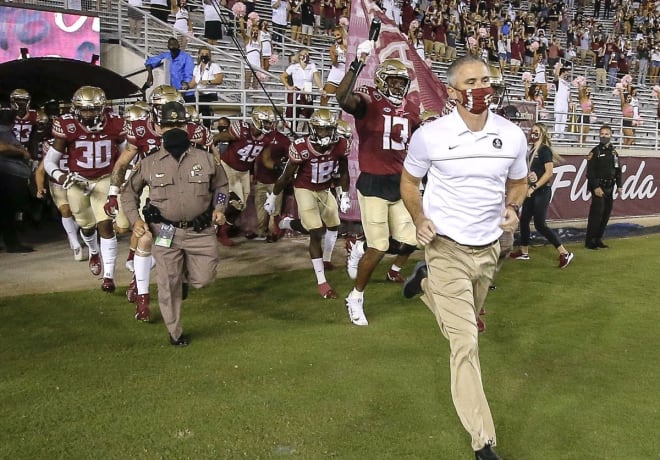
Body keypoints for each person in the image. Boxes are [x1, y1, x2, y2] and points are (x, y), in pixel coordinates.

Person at [400, 55, 528, 460]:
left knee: (465, 322)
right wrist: (419, 217)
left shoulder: (511, 135)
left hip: (489, 250)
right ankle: (483, 440)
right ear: (453, 92)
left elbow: (521, 180)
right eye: (471, 82)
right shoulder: (430, 136)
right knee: (465, 342)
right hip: (445, 248)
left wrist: (514, 207)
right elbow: (408, 181)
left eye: (485, 80)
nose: (480, 88)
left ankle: (424, 285)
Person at [120, 101, 229, 347]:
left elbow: (222, 185)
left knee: (204, 278)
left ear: (187, 126)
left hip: (200, 231)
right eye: (168, 124)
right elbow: (128, 193)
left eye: (179, 123)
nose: (174, 128)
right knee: (168, 284)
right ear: (158, 128)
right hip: (165, 232)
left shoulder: (205, 158)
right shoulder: (149, 162)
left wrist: (220, 208)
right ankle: (175, 333)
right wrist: (135, 220)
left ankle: (187, 280)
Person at [336, 49, 421, 327]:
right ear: (382, 81)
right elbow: (342, 98)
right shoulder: (369, 101)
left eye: (401, 82)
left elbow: (421, 136)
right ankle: (355, 296)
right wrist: (357, 63)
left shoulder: (410, 108)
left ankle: (358, 246)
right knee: (380, 246)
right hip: (373, 183)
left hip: (399, 183)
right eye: (393, 81)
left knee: (411, 240)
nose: (398, 86)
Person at [44, 86, 126, 292]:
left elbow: (126, 156)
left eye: (92, 109)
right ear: (75, 108)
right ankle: (93, 250)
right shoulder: (67, 125)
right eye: (83, 109)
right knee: (86, 226)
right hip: (77, 180)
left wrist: (123, 176)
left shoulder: (116, 123)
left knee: (105, 225)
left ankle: (109, 276)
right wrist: (61, 177)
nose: (88, 114)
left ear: (102, 108)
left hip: (105, 178)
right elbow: (49, 162)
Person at [266, 109, 350, 298]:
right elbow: (287, 175)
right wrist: (273, 196)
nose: (326, 134)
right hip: (304, 188)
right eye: (321, 130)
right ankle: (322, 282)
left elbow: (344, 172)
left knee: (334, 224)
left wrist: (344, 194)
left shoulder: (341, 144)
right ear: (313, 129)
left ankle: (324, 259)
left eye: (329, 129)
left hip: (325, 188)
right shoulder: (301, 146)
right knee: (315, 231)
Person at [509, 123, 574, 268]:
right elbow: (535, 172)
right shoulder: (532, 150)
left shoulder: (544, 150)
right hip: (532, 190)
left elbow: (549, 173)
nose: (533, 133)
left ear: (542, 133)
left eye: (536, 131)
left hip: (541, 192)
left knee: (540, 224)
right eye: (532, 131)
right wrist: (531, 179)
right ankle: (524, 252)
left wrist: (534, 186)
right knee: (524, 220)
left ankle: (564, 252)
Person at [212, 106, 278, 246]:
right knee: (235, 202)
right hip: (227, 167)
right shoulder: (241, 130)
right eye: (266, 122)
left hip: (244, 171)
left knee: (240, 206)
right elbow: (217, 138)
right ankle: (219, 230)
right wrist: (213, 155)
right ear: (256, 120)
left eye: (269, 122)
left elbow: (266, 160)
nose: (268, 125)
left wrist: (279, 166)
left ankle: (221, 228)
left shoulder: (267, 137)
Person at [0, 107, 33, 253]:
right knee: (7, 210)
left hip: (9, 173)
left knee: (7, 210)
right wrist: (21, 151)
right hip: (6, 174)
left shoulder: (6, 129)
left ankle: (11, 243)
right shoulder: (2, 129)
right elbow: (1, 147)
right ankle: (12, 244)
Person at [585, 124, 622, 249]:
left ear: (611, 135)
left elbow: (618, 170)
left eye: (606, 134)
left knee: (605, 215)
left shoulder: (614, 152)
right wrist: (595, 187)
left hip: (610, 188)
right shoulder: (595, 152)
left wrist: (619, 185)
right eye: (602, 134)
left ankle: (598, 239)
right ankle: (590, 241)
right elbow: (590, 172)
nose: (604, 136)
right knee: (596, 215)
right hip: (599, 188)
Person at [280, 48, 324, 125]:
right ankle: (292, 132)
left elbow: (316, 76)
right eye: (305, 54)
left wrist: (320, 88)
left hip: (307, 93)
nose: (307, 55)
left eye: (308, 54)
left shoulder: (312, 65)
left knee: (309, 115)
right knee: (293, 115)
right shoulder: (294, 67)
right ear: (300, 56)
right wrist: (288, 87)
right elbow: (282, 77)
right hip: (296, 93)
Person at [186, 47, 224, 129]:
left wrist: (208, 81)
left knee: (198, 112)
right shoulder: (196, 68)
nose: (204, 56)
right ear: (199, 55)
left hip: (210, 95)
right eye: (202, 54)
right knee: (197, 110)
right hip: (199, 95)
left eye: (206, 54)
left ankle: (205, 129)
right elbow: (193, 82)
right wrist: (186, 86)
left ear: (210, 56)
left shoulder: (214, 66)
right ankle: (202, 129)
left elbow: (219, 79)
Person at [322, 26, 347, 106]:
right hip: (335, 75)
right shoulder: (333, 48)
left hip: (346, 77)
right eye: (335, 35)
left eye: (338, 35)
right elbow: (335, 63)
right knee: (324, 98)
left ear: (343, 34)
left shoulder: (350, 47)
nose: (336, 37)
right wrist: (336, 57)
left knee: (344, 102)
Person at [10, 88, 38, 156]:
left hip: (26, 150)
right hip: (9, 149)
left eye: (24, 100)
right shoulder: (6, 114)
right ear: (13, 100)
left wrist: (34, 155)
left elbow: (34, 138)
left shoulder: (34, 115)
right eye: (18, 99)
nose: (21, 102)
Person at [553, 65, 571, 138]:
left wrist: (570, 103)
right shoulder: (558, 81)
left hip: (565, 103)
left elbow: (569, 94)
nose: (567, 74)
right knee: (558, 117)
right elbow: (556, 76)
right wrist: (558, 68)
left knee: (564, 118)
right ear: (562, 72)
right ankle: (556, 132)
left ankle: (561, 133)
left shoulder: (567, 83)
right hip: (559, 102)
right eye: (566, 72)